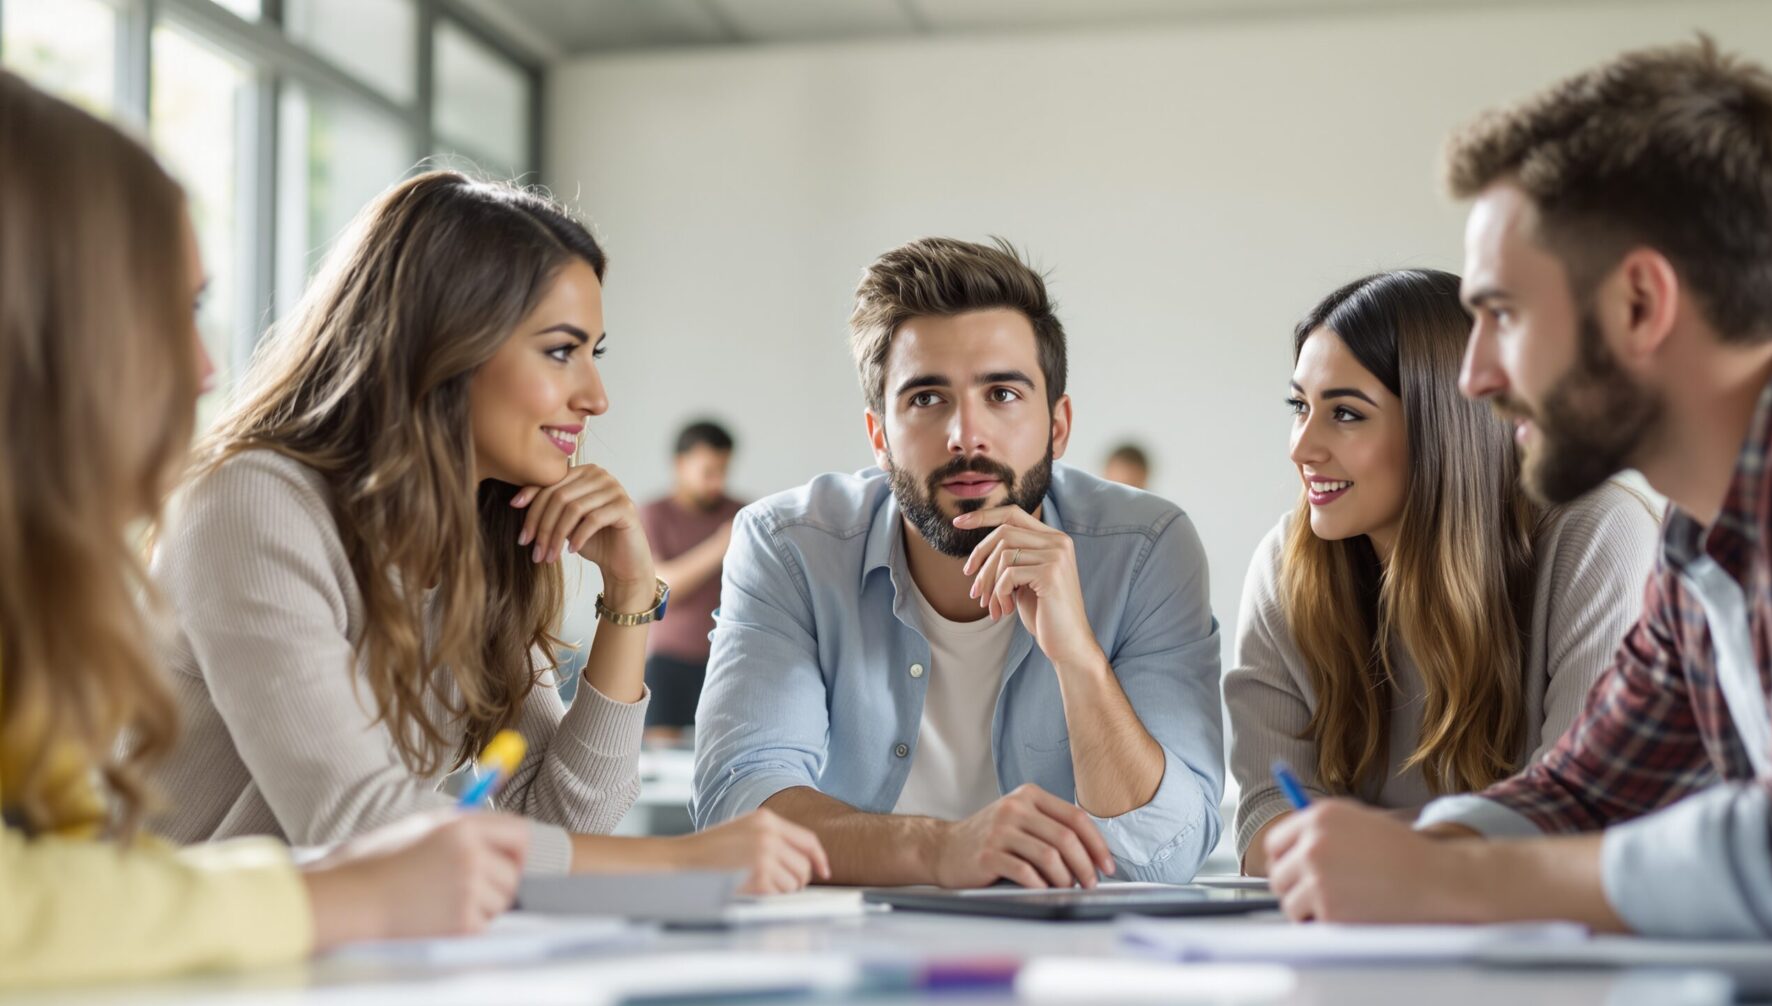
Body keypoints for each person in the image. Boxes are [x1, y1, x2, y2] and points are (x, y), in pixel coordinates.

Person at [1263, 39, 1772, 939]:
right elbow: (1585, 788)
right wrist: (1409, 858)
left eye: (1502, 315)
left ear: (1641, 304)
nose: (1475, 378)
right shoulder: (1703, 530)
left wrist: (1441, 884)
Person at [143, 170, 826, 894]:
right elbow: (357, 826)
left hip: (335, 967)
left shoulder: (482, 537)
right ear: (444, 343)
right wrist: (680, 861)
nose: (595, 396)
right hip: (158, 982)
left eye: (596, 353)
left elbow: (564, 822)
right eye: (561, 351)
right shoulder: (252, 502)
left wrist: (630, 594)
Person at [0, 71, 528, 987]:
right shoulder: (252, 502)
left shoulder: (34, 601)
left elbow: (69, 872)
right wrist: (334, 897)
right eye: (167, 310)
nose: (202, 364)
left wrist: (626, 615)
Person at [692, 237, 1223, 887]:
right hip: (847, 953)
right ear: (880, 437)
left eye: (1001, 394)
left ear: (1058, 426)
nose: (965, 435)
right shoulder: (789, 546)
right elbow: (738, 807)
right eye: (926, 398)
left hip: (1074, 962)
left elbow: (1165, 855)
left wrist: (1078, 657)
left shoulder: (1144, 550)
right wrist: (938, 848)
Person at [1229, 270, 1659, 873]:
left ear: (1442, 426)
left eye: (1346, 413)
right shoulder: (1287, 565)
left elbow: (1580, 814)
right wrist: (1451, 841)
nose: (1301, 447)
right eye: (1299, 405)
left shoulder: (1598, 534)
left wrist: (1368, 846)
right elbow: (1266, 820)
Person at [637, 420, 744, 746]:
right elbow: (658, 588)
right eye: (708, 471)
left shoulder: (742, 513)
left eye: (723, 470)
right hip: (668, 663)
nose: (718, 482)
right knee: (660, 761)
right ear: (680, 465)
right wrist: (718, 546)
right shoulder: (652, 514)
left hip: (729, 661)